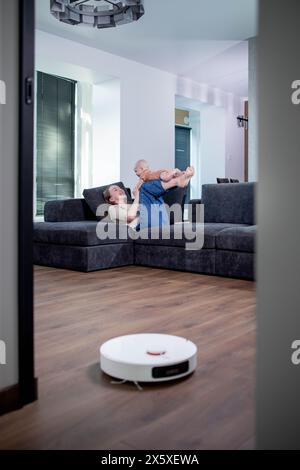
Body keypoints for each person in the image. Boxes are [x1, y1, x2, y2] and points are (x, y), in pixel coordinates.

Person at [103, 167, 195, 231]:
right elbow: (130, 217)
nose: (120, 189)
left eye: (120, 188)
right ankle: (176, 181)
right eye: (115, 189)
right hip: (141, 229)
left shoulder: (132, 205)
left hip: (157, 222)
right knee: (144, 188)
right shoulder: (112, 209)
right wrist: (138, 195)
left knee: (154, 192)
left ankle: (178, 180)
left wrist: (138, 197)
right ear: (111, 199)